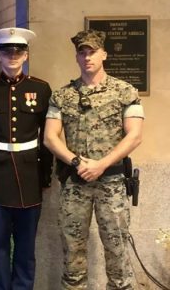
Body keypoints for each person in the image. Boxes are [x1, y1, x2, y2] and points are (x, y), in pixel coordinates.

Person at [43, 29, 144, 289]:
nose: (87, 57)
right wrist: (77, 162)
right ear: (76, 57)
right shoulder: (62, 95)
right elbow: (50, 138)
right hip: (76, 185)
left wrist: (101, 164)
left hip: (111, 184)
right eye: (82, 52)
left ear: (104, 54)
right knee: (72, 253)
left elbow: (134, 136)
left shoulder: (125, 91)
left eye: (92, 52)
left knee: (118, 250)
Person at [0, 27, 53, 290]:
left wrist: (45, 175)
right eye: (7, 51)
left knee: (26, 243)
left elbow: (47, 137)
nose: (13, 56)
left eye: (18, 51)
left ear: (26, 54)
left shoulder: (40, 89)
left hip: (30, 173)